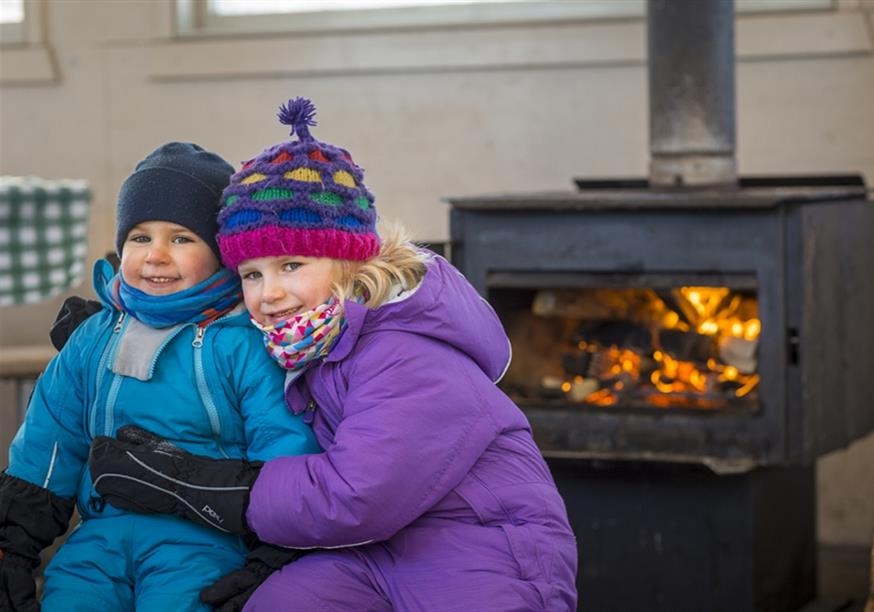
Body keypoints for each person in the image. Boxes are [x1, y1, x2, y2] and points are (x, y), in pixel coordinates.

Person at [88, 98, 579, 611]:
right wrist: (111, 327)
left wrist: (198, 485)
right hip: (369, 552)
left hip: (480, 546)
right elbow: (205, 342)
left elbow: (358, 496)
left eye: (291, 265)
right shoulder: (303, 341)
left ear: (350, 261)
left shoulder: (409, 351)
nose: (270, 293)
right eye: (252, 274)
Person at [0, 142, 320, 611]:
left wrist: (274, 552)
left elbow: (282, 443)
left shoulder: (242, 342)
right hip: (97, 540)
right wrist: (12, 545)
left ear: (220, 253)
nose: (156, 255)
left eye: (181, 239)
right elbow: (49, 443)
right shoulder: (93, 337)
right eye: (140, 237)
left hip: (201, 543)